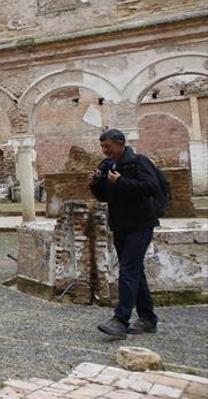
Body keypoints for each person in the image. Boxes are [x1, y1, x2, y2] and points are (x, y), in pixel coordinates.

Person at [89, 128, 160, 338]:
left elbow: (151, 187)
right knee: (135, 271)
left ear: (120, 144)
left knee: (128, 270)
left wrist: (121, 181)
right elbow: (105, 196)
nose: (104, 150)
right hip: (120, 225)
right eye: (102, 147)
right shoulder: (108, 165)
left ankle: (120, 320)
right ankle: (148, 319)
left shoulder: (139, 162)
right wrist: (96, 183)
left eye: (107, 146)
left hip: (141, 224)